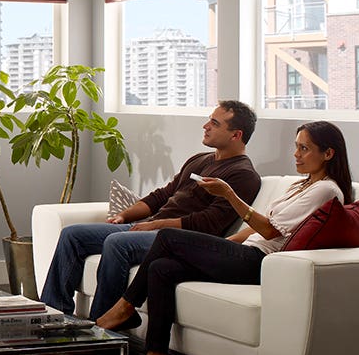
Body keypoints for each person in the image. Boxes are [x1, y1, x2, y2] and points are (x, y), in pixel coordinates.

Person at [97, 120, 354, 355]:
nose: (296, 154)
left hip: (261, 263)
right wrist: (224, 246)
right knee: (162, 268)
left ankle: (126, 306)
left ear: (328, 154)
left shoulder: (326, 190)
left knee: (167, 237)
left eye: (304, 148)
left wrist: (229, 194)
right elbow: (257, 228)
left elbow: (269, 230)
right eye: (296, 147)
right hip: (246, 254)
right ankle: (156, 354)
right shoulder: (301, 186)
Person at [40, 101, 261, 320]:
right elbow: (162, 195)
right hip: (151, 227)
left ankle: (102, 327)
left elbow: (208, 224)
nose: (205, 126)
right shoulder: (199, 159)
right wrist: (124, 215)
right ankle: (52, 316)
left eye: (215, 123)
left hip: (182, 240)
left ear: (236, 135)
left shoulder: (243, 175)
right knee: (73, 235)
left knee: (117, 243)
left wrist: (155, 225)